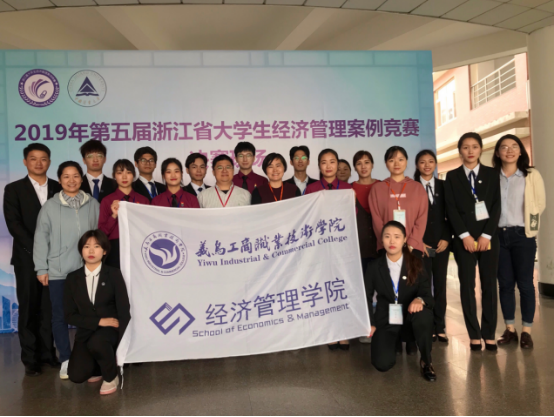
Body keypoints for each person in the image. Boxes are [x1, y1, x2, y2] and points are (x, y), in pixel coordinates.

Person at [34, 161, 100, 380]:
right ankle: (65, 359)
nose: (72, 180)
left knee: (88, 316)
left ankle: (86, 357)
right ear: (60, 179)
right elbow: (41, 238)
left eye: (76, 176)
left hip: (87, 271)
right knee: (59, 316)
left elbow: (99, 234)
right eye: (66, 176)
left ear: (82, 178)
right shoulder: (50, 206)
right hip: (59, 271)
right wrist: (41, 267)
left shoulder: (92, 203)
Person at [3, 144, 62, 377]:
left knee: (49, 308)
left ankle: (48, 354)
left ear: (49, 162)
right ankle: (30, 359)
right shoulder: (13, 189)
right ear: (25, 162)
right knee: (28, 308)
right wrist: (39, 250)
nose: (38, 163)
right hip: (26, 259)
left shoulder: (59, 187)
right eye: (33, 158)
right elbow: (14, 224)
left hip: (55, 258)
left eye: (43, 159)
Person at [444, 133, 501, 352]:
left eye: (474, 146)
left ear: (480, 149)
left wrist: (487, 235)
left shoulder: (492, 174)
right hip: (464, 240)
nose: (470, 151)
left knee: (489, 286)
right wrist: (464, 235)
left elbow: (496, 206)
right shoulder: (452, 176)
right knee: (467, 286)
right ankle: (474, 335)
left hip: (488, 239)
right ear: (460, 150)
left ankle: (489, 333)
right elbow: (451, 208)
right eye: (466, 147)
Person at [492, 135, 546, 350]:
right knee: (505, 284)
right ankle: (510, 329)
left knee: (525, 284)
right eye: (504, 147)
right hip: (498, 235)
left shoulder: (531, 175)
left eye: (514, 146)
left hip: (522, 235)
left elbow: (539, 203)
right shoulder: (492, 176)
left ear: (521, 151)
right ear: (498, 153)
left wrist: (530, 228)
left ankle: (526, 331)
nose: (509, 150)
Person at [365, 221, 436, 382]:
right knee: (382, 363)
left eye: (397, 237)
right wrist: (370, 323)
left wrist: (419, 299)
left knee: (424, 316)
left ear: (404, 240)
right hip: (386, 318)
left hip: (410, 317)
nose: (392, 241)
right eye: (387, 236)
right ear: (382, 240)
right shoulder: (374, 267)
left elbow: (427, 295)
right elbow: (366, 296)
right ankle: (393, 341)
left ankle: (426, 361)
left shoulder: (416, 263)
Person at [64, 230, 130, 396]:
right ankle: (98, 368)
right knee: (76, 376)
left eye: (97, 246)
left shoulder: (114, 274)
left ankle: (111, 376)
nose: (91, 251)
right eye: (87, 246)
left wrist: (123, 342)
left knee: (98, 343)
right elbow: (69, 315)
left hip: (111, 330)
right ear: (81, 250)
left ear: (104, 251)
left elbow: (124, 310)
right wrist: (99, 321)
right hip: (86, 331)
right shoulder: (72, 278)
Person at [305, 149, 351, 350]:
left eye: (332, 161)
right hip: (320, 247)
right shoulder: (311, 188)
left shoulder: (348, 188)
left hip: (342, 246)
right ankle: (331, 332)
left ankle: (344, 332)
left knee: (343, 287)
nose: (329, 166)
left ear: (338, 164)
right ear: (319, 166)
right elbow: (307, 218)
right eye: (324, 162)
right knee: (325, 288)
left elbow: (351, 216)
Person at [414, 150, 451, 343]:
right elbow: (408, 217)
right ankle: (426, 325)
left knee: (441, 285)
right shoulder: (412, 187)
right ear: (417, 165)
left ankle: (440, 326)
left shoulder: (444, 186)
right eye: (422, 162)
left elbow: (451, 214)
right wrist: (418, 242)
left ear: (435, 164)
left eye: (430, 161)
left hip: (441, 244)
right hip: (421, 244)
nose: (427, 165)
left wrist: (446, 238)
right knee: (424, 286)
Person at [369, 146, 428, 258]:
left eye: (400, 159)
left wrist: (411, 244)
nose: (396, 164)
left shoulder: (418, 188)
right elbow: (377, 221)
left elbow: (422, 219)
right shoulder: (377, 189)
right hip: (387, 247)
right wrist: (387, 242)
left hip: (413, 248)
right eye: (391, 160)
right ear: (386, 163)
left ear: (406, 161)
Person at [99, 160, 150, 269]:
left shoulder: (143, 200)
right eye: (120, 173)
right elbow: (102, 232)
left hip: (139, 245)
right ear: (114, 176)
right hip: (115, 248)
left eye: (128, 172)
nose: (124, 176)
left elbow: (148, 228)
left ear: (134, 175)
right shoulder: (107, 201)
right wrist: (114, 215)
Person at [352, 151, 380, 345]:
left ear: (372, 164)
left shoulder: (382, 186)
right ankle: (366, 327)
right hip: (358, 248)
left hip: (381, 246)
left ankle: (385, 328)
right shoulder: (349, 189)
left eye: (367, 162)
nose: (363, 166)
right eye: (359, 163)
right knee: (363, 291)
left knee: (385, 289)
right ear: (355, 167)